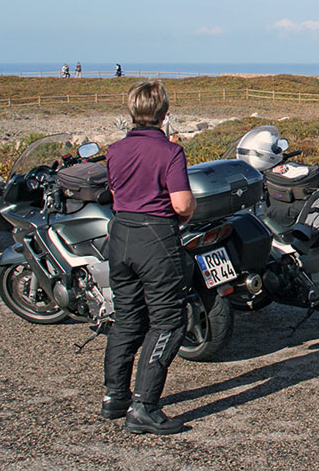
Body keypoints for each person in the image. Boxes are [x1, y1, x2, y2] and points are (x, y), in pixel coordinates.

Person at [103, 80, 195, 435]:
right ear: (164, 113)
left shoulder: (114, 150)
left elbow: (115, 191)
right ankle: (144, 405)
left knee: (127, 318)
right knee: (169, 322)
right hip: (155, 237)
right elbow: (181, 204)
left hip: (121, 233)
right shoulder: (170, 152)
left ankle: (114, 397)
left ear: (132, 111)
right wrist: (187, 214)